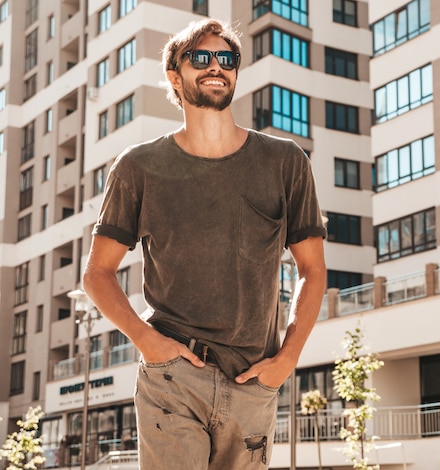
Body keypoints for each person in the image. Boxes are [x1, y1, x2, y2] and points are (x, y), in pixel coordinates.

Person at [82, 17, 327, 469]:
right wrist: (146, 340)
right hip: (173, 379)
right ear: (175, 76)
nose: (216, 66)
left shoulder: (285, 161)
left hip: (253, 381)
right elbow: (97, 274)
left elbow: (313, 270)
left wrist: (286, 359)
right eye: (200, 57)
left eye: (226, 58)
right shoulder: (139, 167)